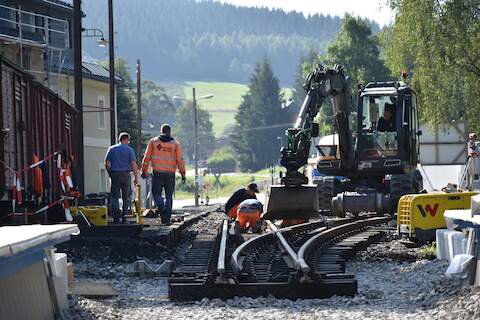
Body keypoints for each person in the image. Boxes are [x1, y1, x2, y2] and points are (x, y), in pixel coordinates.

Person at [141, 124, 186, 225]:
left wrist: (143, 170)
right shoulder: (175, 144)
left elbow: (147, 157)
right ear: (170, 131)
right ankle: (167, 218)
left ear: (161, 131)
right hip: (170, 174)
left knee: (156, 194)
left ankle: (162, 207)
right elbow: (180, 160)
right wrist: (183, 174)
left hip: (157, 173)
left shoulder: (153, 142)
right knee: (169, 195)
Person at [105, 132, 139, 223]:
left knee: (115, 197)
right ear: (126, 139)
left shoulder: (111, 149)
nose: (129, 142)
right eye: (128, 140)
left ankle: (116, 217)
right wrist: (136, 177)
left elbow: (107, 163)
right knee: (126, 197)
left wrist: (110, 174)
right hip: (126, 175)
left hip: (115, 174)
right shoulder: (130, 150)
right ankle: (124, 217)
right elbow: (133, 164)